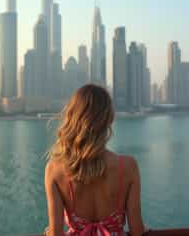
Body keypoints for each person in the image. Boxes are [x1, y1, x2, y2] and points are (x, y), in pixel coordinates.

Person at [44, 84, 147, 236]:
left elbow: (55, 233)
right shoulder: (128, 166)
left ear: (72, 117)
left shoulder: (54, 169)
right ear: (109, 119)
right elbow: (136, 230)